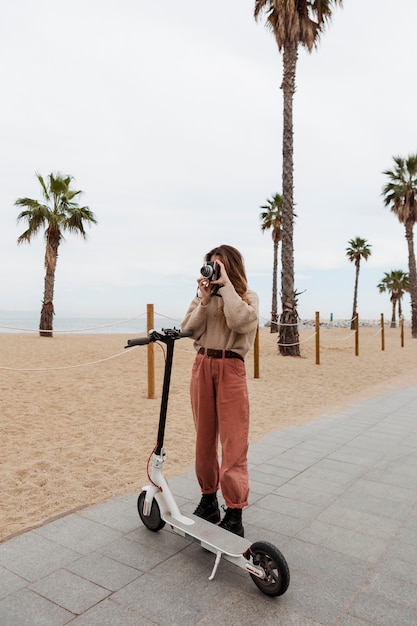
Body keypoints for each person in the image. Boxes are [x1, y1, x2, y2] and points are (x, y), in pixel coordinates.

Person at [181, 244, 259, 537]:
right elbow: (188, 329)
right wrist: (203, 300)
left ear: (230, 267)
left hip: (231, 368)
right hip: (203, 365)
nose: (212, 271)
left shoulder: (248, 298)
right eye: (209, 266)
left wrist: (226, 288)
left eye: (218, 266)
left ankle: (234, 512)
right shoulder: (204, 297)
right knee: (203, 439)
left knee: (234, 442)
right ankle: (208, 500)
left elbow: (240, 323)